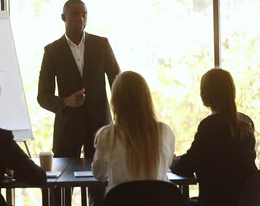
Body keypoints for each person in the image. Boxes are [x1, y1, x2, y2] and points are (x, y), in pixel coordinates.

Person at [37, 0, 120, 206]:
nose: (81, 19)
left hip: (100, 126)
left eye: (84, 14)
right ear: (63, 17)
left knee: (100, 187)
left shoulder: (101, 44)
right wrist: (65, 101)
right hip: (67, 128)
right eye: (75, 14)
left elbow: (117, 81)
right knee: (60, 190)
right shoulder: (52, 51)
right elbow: (43, 96)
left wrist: (120, 114)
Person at [171, 68, 257, 206]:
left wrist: (172, 161)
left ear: (206, 95)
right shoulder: (246, 124)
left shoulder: (209, 126)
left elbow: (187, 166)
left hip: (216, 200)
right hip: (245, 200)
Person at [92, 71, 175, 193]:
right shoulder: (165, 132)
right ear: (146, 98)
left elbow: (99, 174)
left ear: (115, 102)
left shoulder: (106, 136)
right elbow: (166, 165)